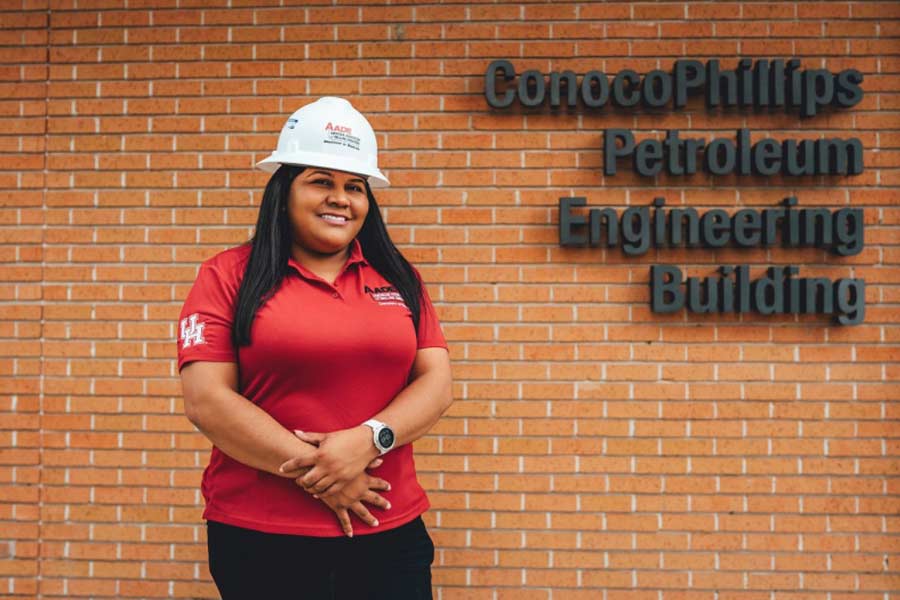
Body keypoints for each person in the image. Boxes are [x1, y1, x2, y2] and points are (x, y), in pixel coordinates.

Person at [176, 96, 453, 599]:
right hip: (262, 537)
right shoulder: (227, 275)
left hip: (388, 530)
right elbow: (206, 399)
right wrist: (327, 473)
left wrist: (371, 439)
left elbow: (437, 381)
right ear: (283, 191)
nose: (341, 199)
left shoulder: (398, 278)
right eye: (321, 181)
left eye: (355, 187)